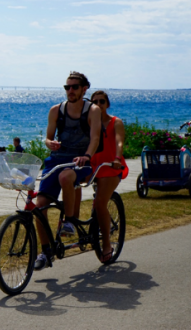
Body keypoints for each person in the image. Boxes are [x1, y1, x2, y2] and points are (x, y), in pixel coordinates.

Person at [34, 71, 102, 270]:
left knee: (66, 177)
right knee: (40, 208)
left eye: (74, 87)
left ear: (84, 89)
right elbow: (47, 138)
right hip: (56, 160)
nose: (70, 91)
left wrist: (87, 156)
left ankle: (70, 220)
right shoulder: (56, 110)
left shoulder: (93, 110)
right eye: (67, 87)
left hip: (81, 161)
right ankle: (46, 252)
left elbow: (95, 138)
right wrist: (50, 143)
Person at [89, 90, 128, 263]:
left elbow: (119, 141)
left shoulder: (115, 122)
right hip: (93, 167)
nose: (98, 105)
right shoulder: (89, 123)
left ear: (107, 104)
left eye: (102, 101)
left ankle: (106, 244)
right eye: (95, 102)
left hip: (111, 167)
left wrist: (117, 158)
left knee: (100, 202)